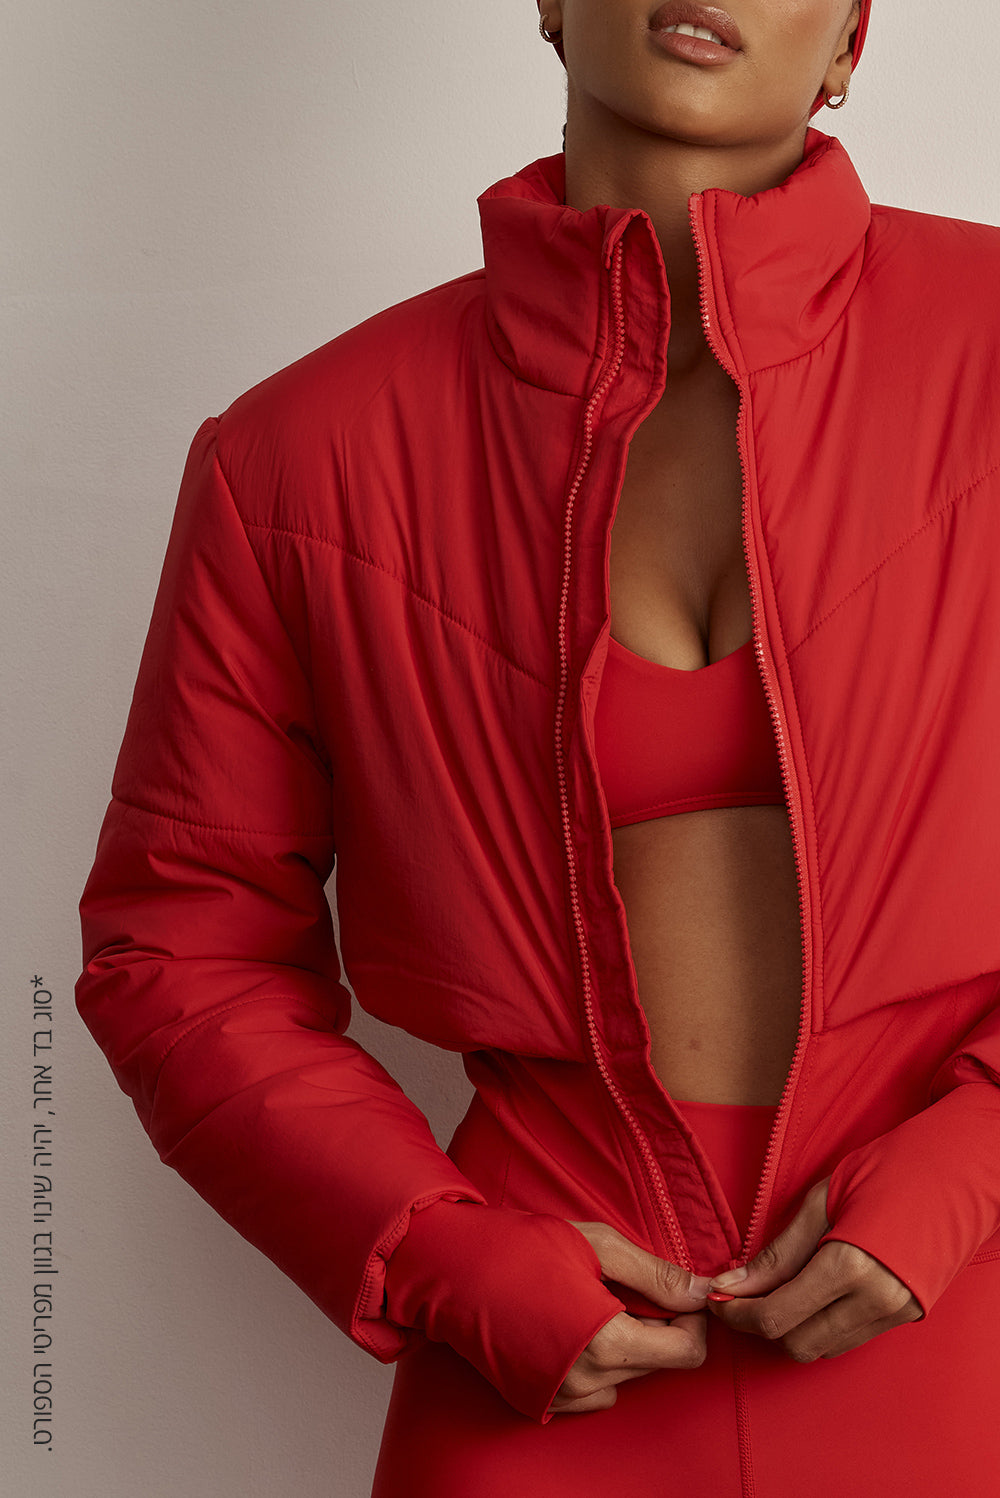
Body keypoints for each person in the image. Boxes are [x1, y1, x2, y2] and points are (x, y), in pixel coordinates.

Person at [75, 1, 1000, 1493]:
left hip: (970, 1332)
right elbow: (180, 946)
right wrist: (434, 1248)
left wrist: (977, 1162)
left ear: (851, 42)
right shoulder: (298, 454)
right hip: (547, 1370)